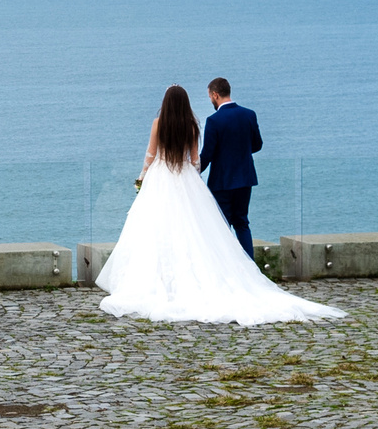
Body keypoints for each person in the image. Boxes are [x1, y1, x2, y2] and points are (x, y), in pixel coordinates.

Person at [96, 85, 343, 325]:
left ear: (165, 103)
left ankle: (160, 280)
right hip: (191, 178)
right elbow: (195, 160)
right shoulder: (193, 126)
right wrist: (192, 181)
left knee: (157, 229)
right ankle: (243, 269)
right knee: (204, 229)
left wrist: (142, 176)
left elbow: (151, 154)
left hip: (161, 178)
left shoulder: (158, 124)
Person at [199, 77, 261, 254]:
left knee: (223, 226)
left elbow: (207, 154)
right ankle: (250, 266)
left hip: (222, 182)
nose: (210, 100)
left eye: (210, 96)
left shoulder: (214, 121)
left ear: (215, 94)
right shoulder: (249, 114)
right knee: (242, 222)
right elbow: (257, 145)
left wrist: (193, 171)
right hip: (245, 178)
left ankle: (228, 267)